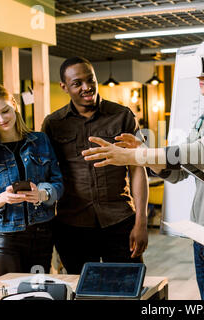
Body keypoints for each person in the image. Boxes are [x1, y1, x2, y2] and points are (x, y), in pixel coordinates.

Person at [82, 36, 204, 300]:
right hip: (203, 233)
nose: (200, 76)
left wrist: (137, 156)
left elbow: (201, 151)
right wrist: (142, 154)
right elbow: (182, 169)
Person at [41, 57, 148, 275]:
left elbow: (138, 168)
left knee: (127, 290)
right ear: (64, 87)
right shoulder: (53, 124)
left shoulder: (122, 116)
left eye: (90, 80)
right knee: (82, 292)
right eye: (77, 83)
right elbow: (47, 174)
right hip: (72, 227)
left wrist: (142, 222)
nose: (86, 87)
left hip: (119, 222)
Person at [0, 82, 63, 277]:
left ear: (13, 103)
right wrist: (2, 199)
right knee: (12, 294)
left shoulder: (40, 141)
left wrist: (43, 193)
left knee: (39, 291)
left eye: (5, 111)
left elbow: (58, 184)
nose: (2, 119)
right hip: (7, 238)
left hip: (42, 232)